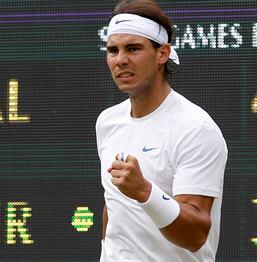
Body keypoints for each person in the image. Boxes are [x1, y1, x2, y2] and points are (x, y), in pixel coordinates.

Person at [96, 0, 228, 261]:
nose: (120, 60)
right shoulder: (107, 122)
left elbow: (195, 236)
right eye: (113, 50)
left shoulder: (195, 128)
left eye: (133, 49)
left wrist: (144, 191)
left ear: (162, 54)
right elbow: (115, 208)